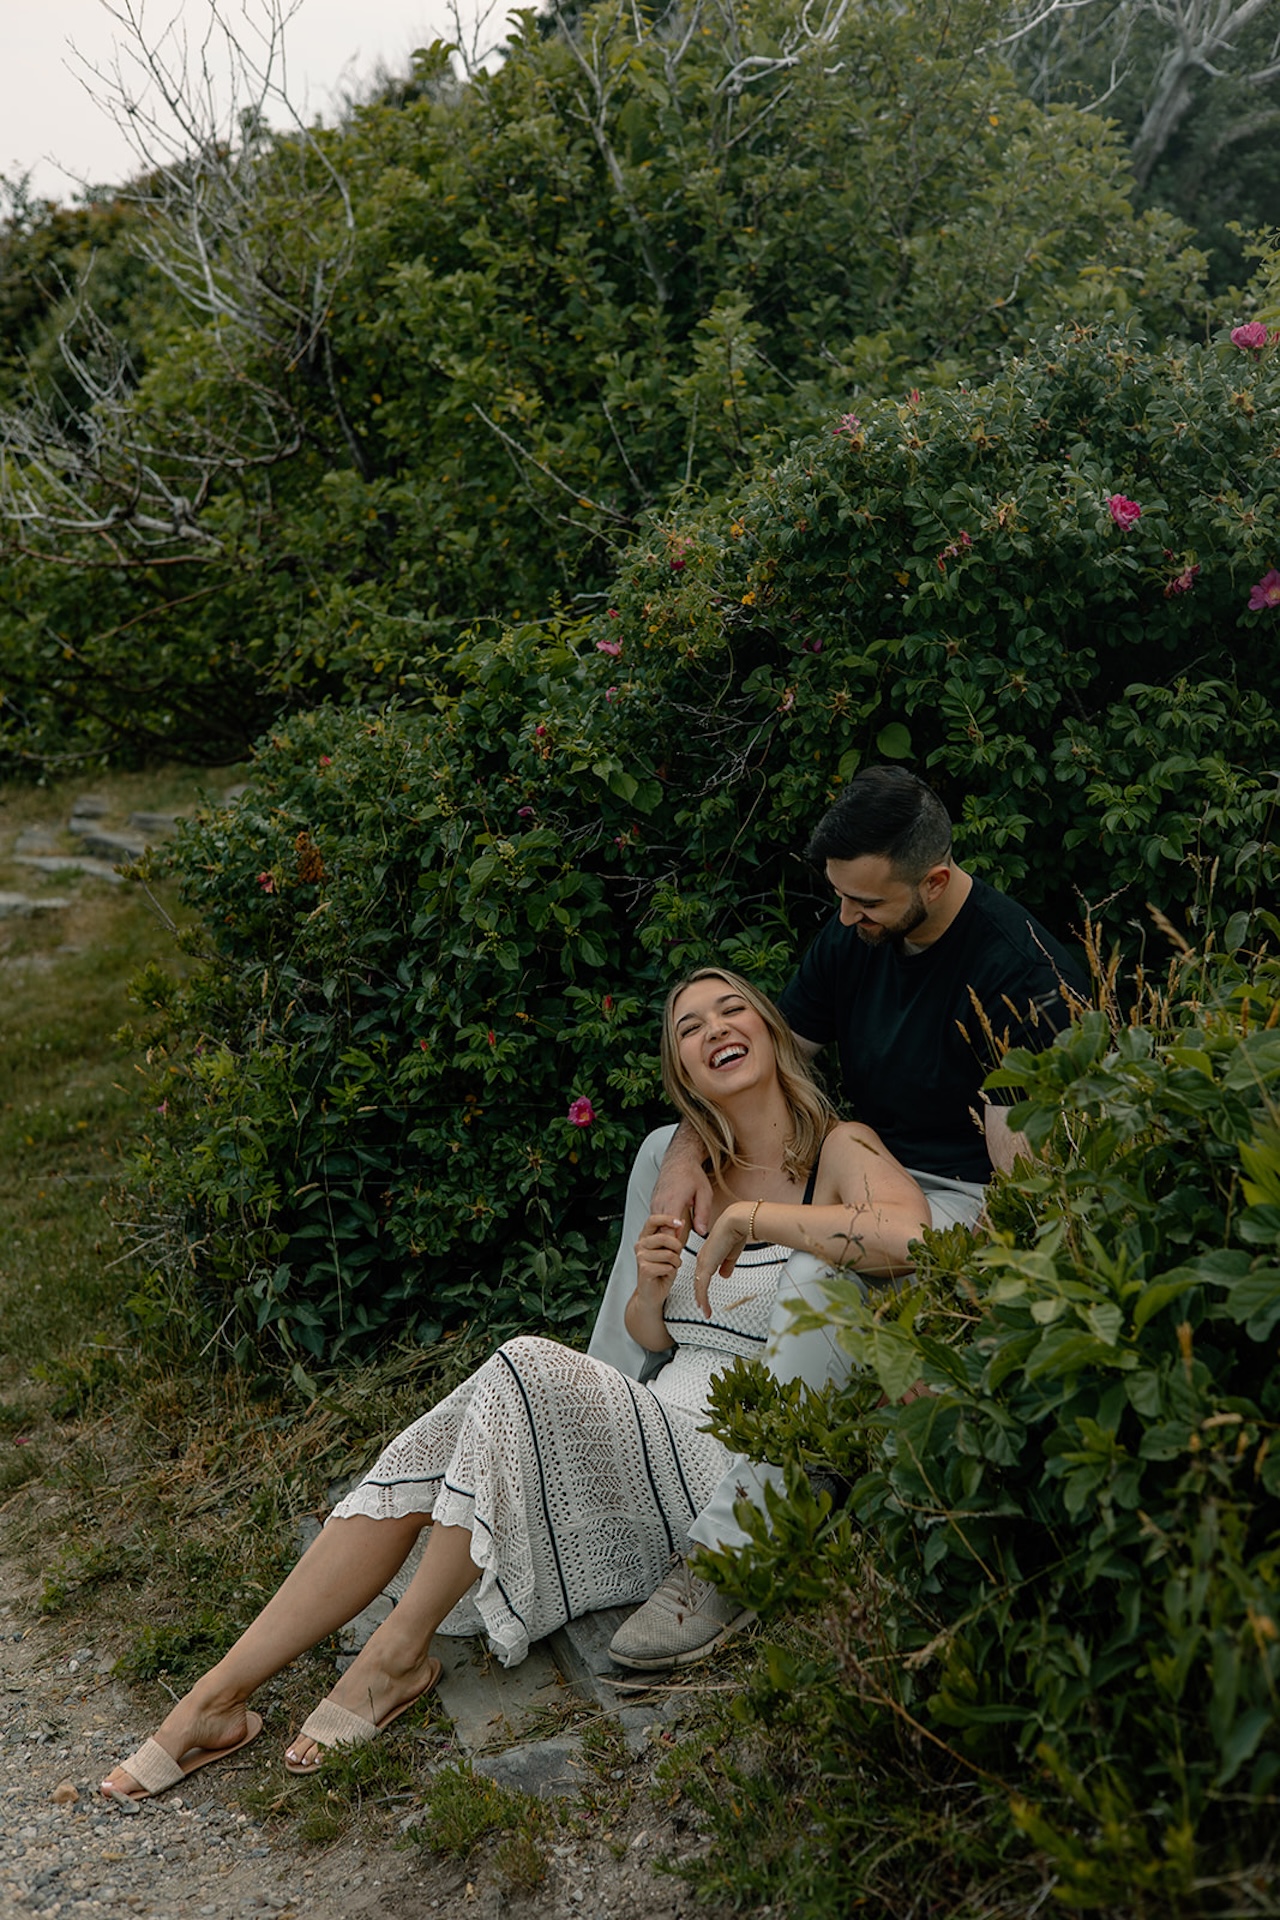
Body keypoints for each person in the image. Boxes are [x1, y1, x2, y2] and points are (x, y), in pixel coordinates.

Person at [100, 968, 929, 1802]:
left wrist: (756, 1220)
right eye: (688, 1026)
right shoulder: (680, 1163)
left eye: (731, 1008)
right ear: (680, 1070)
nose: (713, 1028)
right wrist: (649, 1290)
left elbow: (910, 1238)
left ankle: (392, 1656)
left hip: (730, 1463)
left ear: (773, 1030)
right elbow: (651, 1337)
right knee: (462, 1424)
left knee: (522, 1366)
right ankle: (216, 1697)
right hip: (645, 1426)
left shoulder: (839, 1149)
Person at [602, 766, 1087, 1671]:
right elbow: (770, 1054)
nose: (846, 920)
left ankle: (734, 1555)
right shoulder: (855, 936)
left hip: (957, 1198)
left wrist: (788, 1217)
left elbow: (1025, 1211)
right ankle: (611, 1421)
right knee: (659, 1148)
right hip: (846, 1159)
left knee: (826, 1269)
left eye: (864, 902)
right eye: (838, 898)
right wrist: (681, 1157)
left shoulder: (1020, 974)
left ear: (933, 881)